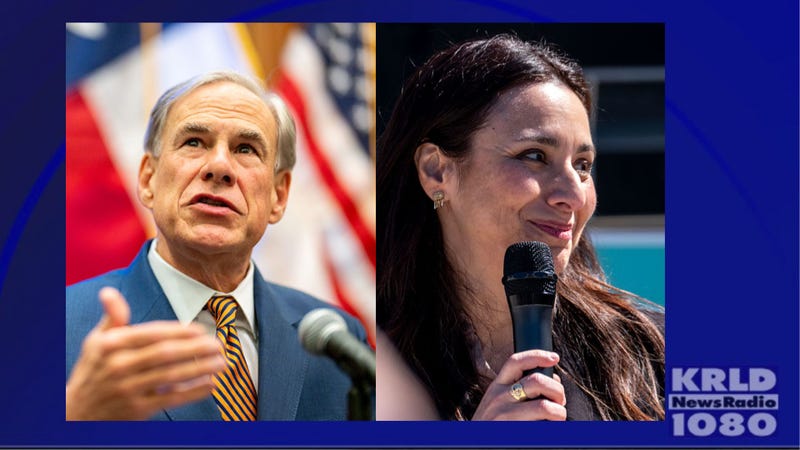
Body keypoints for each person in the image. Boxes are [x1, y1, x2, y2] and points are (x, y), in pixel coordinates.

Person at [376, 35, 665, 421]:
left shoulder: (653, 354)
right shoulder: (358, 363)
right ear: (436, 170)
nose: (573, 195)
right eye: (534, 156)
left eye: (582, 166)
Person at [66, 70, 368, 421]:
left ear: (279, 195)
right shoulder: (60, 327)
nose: (220, 166)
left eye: (246, 149)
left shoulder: (339, 343)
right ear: (148, 179)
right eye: (194, 142)